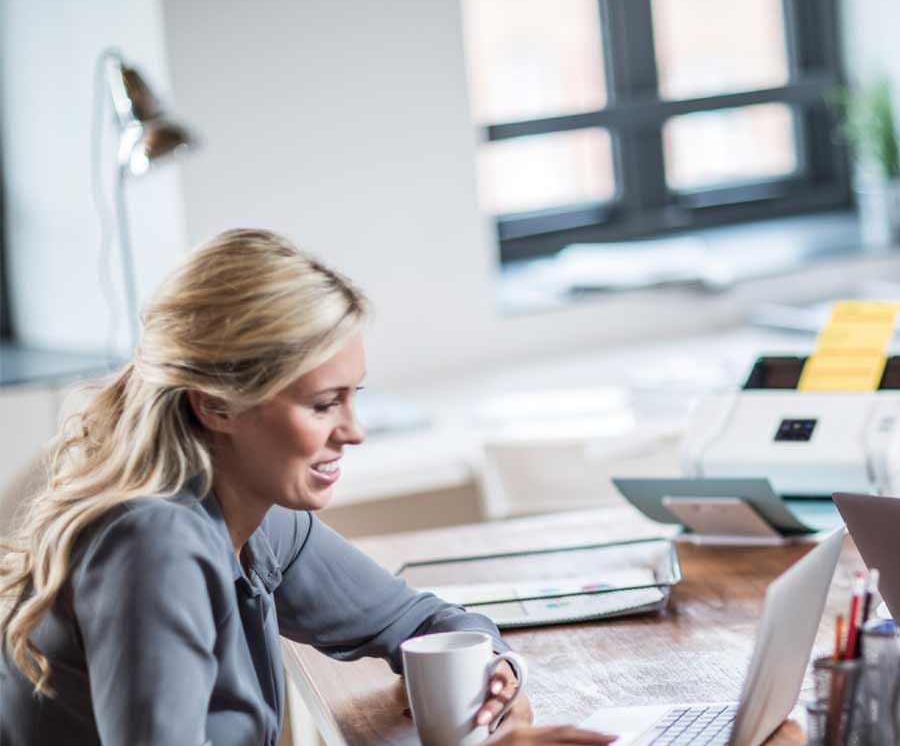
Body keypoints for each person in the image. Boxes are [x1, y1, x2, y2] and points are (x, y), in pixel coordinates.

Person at [0, 229, 613, 745]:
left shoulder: (259, 515)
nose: (354, 432)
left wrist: (494, 670)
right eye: (324, 405)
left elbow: (424, 621)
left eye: (354, 397)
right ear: (216, 405)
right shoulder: (153, 544)